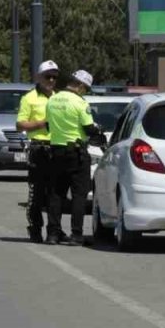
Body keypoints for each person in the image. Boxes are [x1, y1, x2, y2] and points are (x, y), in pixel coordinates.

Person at [44, 69, 104, 246]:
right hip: (76, 153)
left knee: (56, 194)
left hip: (55, 151)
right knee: (79, 194)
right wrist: (98, 135)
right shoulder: (80, 103)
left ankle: (52, 234)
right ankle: (76, 235)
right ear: (79, 85)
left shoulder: (52, 99)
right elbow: (88, 128)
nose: (85, 92)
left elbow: (48, 126)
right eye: (85, 88)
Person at [16, 60, 59, 243]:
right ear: (39, 77)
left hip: (57, 148)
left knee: (55, 194)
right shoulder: (29, 98)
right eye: (47, 76)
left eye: (54, 77)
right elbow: (20, 125)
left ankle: (53, 232)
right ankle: (35, 229)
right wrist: (41, 124)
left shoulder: (59, 98)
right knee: (36, 193)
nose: (51, 80)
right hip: (38, 148)